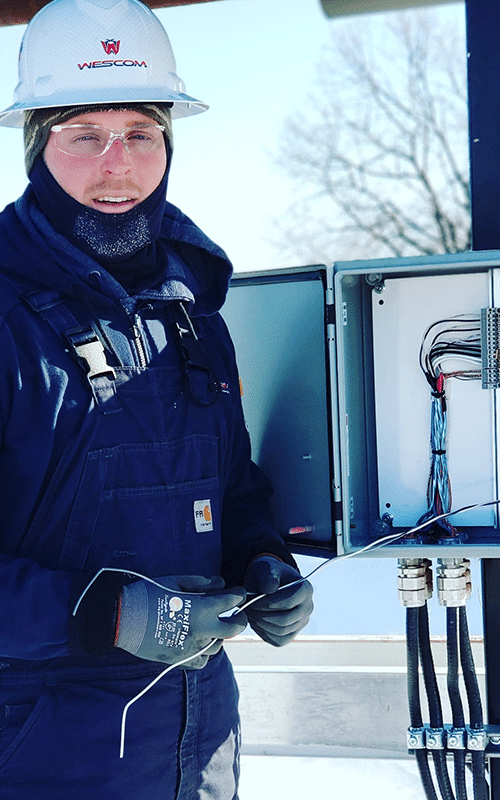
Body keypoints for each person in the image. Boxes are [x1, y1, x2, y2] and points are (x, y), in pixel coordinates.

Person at [0, 0, 313, 797]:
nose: (119, 164)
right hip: (41, 747)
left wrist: (261, 558)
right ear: (36, 144)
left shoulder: (192, 312)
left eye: (142, 132)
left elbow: (233, 487)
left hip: (197, 735)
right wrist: (107, 614)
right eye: (85, 135)